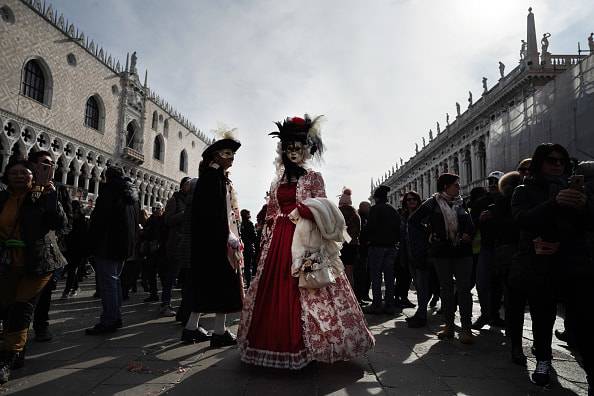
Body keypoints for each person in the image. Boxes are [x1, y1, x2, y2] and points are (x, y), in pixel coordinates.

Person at [238, 115, 374, 369]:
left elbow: (324, 207)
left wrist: (304, 210)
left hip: (306, 239)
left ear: (306, 150)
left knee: (311, 284)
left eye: (298, 148)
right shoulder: (278, 179)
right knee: (273, 288)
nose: (293, 153)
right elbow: (271, 209)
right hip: (278, 242)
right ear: (283, 150)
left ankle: (313, 344)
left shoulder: (314, 177)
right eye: (289, 148)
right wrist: (268, 229)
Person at [511, 143, 593, 389]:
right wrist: (554, 203)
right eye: (551, 160)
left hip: (575, 264)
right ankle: (543, 361)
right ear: (539, 163)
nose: (557, 165)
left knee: (583, 320)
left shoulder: (580, 190)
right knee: (542, 317)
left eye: (561, 160)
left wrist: (584, 205)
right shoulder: (523, 191)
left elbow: (589, 224)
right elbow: (522, 221)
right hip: (541, 265)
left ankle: (590, 369)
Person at [0, 159, 67, 383]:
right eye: (14, 172)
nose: (19, 176)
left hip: (38, 263)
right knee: (7, 309)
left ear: (33, 176)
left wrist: (50, 195)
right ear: (7, 175)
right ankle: (16, 351)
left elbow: (58, 223)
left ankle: (6, 359)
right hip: (8, 263)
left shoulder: (43, 195)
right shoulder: (2, 198)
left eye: (24, 172)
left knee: (21, 308)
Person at [183, 130, 244, 346]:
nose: (231, 158)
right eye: (227, 153)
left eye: (232, 154)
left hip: (209, 242)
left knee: (206, 284)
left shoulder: (214, 177)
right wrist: (229, 237)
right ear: (216, 156)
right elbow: (215, 214)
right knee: (222, 284)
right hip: (216, 242)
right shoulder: (212, 178)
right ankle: (219, 332)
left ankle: (191, 328)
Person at [409, 173, 475, 344]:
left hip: (462, 251)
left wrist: (468, 233)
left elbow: (469, 222)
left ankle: (466, 329)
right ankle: (449, 326)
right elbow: (414, 220)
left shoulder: (461, 202)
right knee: (446, 289)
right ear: (445, 186)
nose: (459, 187)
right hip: (442, 252)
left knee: (464, 289)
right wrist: (430, 233)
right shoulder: (432, 203)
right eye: (456, 185)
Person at [85, 165, 138, 335]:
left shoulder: (109, 192)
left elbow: (99, 221)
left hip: (107, 246)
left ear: (108, 177)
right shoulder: (132, 194)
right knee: (114, 283)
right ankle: (115, 317)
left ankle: (109, 320)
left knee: (108, 285)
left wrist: (91, 244)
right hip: (123, 247)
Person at [31, 152, 71, 343]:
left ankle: (41, 326)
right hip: (17, 250)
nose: (49, 167)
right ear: (33, 165)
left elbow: (62, 221)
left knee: (44, 294)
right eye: (44, 163)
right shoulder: (20, 186)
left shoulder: (57, 189)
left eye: (52, 164)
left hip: (46, 251)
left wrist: (51, 195)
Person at [488, 171, 525, 364]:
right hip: (514, 253)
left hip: (510, 254)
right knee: (517, 299)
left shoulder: (497, 204)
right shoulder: (503, 203)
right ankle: (520, 343)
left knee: (513, 299)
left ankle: (516, 342)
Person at [473, 170, 505, 330]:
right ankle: (485, 314)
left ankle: (495, 315)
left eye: (496, 182)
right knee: (482, 282)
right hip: (486, 247)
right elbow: (471, 225)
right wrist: (479, 220)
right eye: (490, 182)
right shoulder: (480, 203)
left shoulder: (507, 200)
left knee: (499, 283)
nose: (492, 185)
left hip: (504, 246)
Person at [364, 185, 400, 315]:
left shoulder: (374, 209)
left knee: (376, 276)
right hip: (391, 247)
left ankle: (377, 304)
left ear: (376, 198)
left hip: (377, 247)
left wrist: (367, 239)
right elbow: (398, 228)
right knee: (390, 277)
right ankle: (390, 305)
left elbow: (369, 227)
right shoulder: (393, 210)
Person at [161, 177, 191, 316]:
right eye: (187, 184)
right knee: (170, 277)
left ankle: (184, 309)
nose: (189, 186)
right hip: (175, 243)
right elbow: (167, 220)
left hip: (187, 244)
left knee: (184, 278)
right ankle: (165, 305)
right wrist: (183, 214)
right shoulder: (174, 200)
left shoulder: (191, 201)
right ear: (182, 186)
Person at [401, 191, 432, 328]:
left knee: (422, 286)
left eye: (414, 199)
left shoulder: (424, 215)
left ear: (418, 201)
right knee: (418, 286)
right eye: (408, 200)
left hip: (421, 255)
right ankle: (420, 312)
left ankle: (422, 315)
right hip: (409, 254)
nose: (411, 201)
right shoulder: (405, 216)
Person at [61, 200, 89, 298]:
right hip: (72, 249)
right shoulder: (80, 221)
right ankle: (74, 287)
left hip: (76, 249)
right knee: (72, 269)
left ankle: (67, 290)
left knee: (72, 269)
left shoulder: (78, 221)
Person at [142, 202, 167, 303]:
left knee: (163, 275)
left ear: (162, 209)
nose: (156, 211)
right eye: (154, 209)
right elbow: (146, 233)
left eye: (158, 209)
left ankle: (165, 297)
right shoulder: (150, 220)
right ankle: (153, 294)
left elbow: (165, 235)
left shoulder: (164, 220)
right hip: (151, 252)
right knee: (151, 275)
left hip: (161, 252)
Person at [338, 188, 360, 287]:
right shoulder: (356, 215)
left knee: (339, 271)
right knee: (350, 271)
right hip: (353, 245)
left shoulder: (338, 213)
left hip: (339, 245)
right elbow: (358, 231)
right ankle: (352, 293)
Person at [355, 201, 372, 304]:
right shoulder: (358, 218)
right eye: (367, 207)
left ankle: (364, 294)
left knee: (366, 274)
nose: (369, 209)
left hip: (365, 250)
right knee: (360, 275)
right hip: (360, 250)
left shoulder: (366, 218)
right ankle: (360, 296)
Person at [240, 209, 258, 286]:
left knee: (246, 266)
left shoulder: (241, 224)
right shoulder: (250, 223)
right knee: (249, 265)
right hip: (250, 247)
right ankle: (249, 283)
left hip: (244, 247)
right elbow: (254, 236)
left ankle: (247, 282)